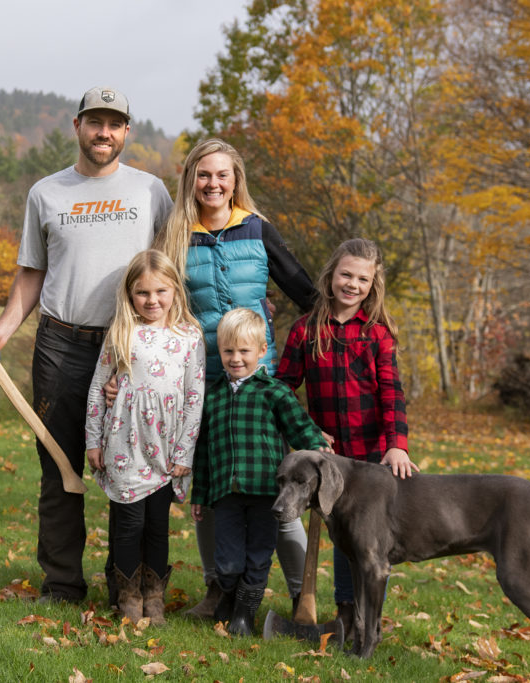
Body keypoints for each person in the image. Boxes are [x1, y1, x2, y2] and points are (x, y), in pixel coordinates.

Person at [0, 86, 173, 604]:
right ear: (77, 125)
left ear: (127, 131)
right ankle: (61, 585)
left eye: (115, 124)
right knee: (60, 466)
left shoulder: (151, 191)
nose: (104, 133)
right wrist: (5, 327)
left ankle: (125, 585)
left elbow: (170, 271)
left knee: (133, 469)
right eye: (95, 122)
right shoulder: (46, 192)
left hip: (131, 347)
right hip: (62, 344)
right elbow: (33, 269)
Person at [152, 138, 318, 618]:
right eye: (204, 175)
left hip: (258, 380)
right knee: (214, 488)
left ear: (235, 179)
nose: (213, 183)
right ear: (190, 180)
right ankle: (217, 592)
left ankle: (300, 595)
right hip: (202, 377)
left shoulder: (257, 230)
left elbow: (305, 293)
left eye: (222, 174)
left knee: (277, 487)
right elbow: (156, 301)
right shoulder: (175, 235)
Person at [275, 237, 418, 638]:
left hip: (371, 458)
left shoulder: (378, 334)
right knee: (341, 533)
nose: (352, 285)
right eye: (346, 275)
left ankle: (366, 618)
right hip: (327, 458)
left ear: (373, 285)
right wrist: (304, 430)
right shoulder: (306, 330)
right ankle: (344, 613)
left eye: (362, 279)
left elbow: (391, 393)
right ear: (330, 275)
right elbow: (284, 387)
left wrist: (397, 445)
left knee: (367, 538)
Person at [189, 307, 331, 636]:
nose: (236, 358)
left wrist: (317, 448)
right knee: (227, 561)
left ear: (261, 351)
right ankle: (226, 599)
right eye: (228, 351)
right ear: (219, 352)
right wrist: (200, 495)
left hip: (267, 495)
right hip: (225, 496)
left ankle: (243, 616)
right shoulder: (213, 398)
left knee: (258, 558)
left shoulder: (274, 393)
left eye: (244, 351)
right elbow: (204, 453)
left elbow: (299, 428)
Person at [85, 249, 205, 624]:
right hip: (124, 444)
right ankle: (128, 596)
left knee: (157, 525)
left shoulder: (189, 335)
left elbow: (194, 396)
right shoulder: (122, 332)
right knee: (128, 524)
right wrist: (93, 440)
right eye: (143, 293)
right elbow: (96, 389)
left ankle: (154, 596)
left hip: (166, 446)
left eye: (160, 292)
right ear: (130, 295)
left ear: (175, 292)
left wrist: (184, 451)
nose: (152, 300)